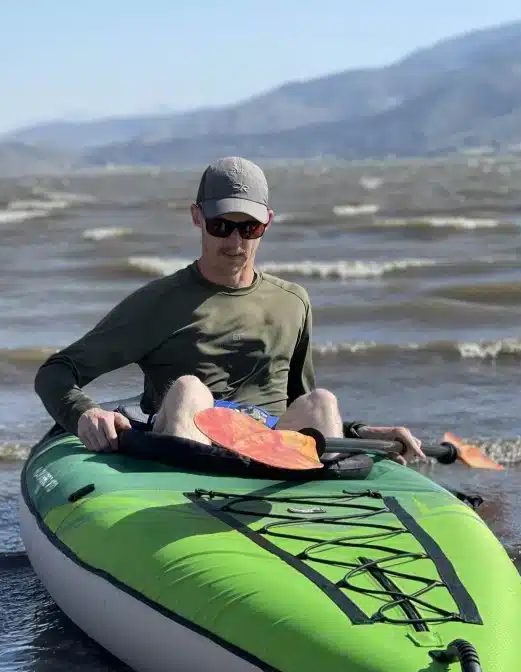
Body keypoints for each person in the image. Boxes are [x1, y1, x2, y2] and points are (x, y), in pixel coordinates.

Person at [33, 156, 425, 464]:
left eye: (248, 228)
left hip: (270, 444)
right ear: (197, 217)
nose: (235, 241)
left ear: (267, 223)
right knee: (189, 389)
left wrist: (362, 433)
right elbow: (56, 372)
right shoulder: (159, 302)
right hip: (186, 450)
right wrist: (84, 413)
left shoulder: (293, 302)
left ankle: (333, 512)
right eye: (221, 225)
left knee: (323, 400)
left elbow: (297, 405)